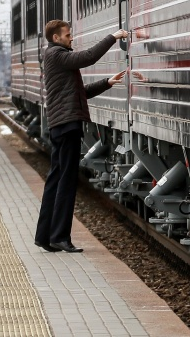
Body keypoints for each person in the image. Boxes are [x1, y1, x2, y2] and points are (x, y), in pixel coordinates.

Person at [34, 19, 129, 253]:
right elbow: (88, 57)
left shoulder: (57, 58)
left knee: (56, 179)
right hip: (67, 125)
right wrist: (113, 37)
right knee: (65, 182)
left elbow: (80, 93)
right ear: (56, 38)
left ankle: (45, 236)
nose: (71, 38)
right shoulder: (56, 54)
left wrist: (106, 83)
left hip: (62, 124)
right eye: (67, 35)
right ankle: (59, 237)